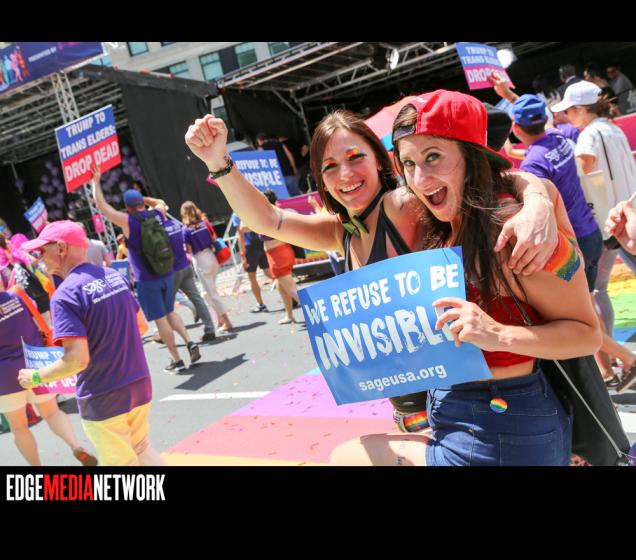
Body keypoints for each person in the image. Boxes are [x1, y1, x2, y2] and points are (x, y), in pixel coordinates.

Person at [184, 107, 561, 438]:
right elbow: (269, 220)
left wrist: (537, 200)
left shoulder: (405, 205)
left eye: (355, 157)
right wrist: (218, 162)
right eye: (330, 166)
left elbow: (494, 178)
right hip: (411, 416)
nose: (345, 174)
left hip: (468, 411)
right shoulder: (342, 233)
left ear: (381, 161)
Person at [329, 90, 601, 465]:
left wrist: (497, 333)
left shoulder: (513, 233)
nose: (420, 178)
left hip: (503, 430)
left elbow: (588, 335)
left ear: (472, 156)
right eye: (408, 163)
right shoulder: (441, 219)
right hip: (463, 418)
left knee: (346, 457)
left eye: (433, 157)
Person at [17, 221, 165, 466]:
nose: (38, 258)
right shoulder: (113, 276)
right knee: (143, 449)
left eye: (42, 250)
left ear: (61, 248)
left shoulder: (65, 295)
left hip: (103, 395)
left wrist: (35, 377)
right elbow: (141, 325)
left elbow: (77, 360)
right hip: (138, 382)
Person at [552, 80, 636, 389]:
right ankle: (613, 360)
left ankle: (612, 361)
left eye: (569, 111)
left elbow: (582, 172)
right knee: (599, 289)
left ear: (580, 110)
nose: (567, 117)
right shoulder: (612, 127)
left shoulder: (589, 135)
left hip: (610, 221)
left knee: (597, 290)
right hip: (627, 213)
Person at [91, 168, 200, 374]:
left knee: (161, 319)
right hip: (167, 274)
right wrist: (144, 198)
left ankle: (177, 360)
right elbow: (160, 201)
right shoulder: (158, 213)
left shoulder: (128, 221)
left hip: (147, 279)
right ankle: (189, 341)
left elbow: (102, 206)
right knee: (171, 312)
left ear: (127, 207)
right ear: (142, 202)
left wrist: (95, 182)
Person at [1, 287, 97, 466]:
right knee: (52, 412)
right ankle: (75, 445)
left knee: (19, 427)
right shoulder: (17, 294)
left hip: (4, 374)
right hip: (35, 361)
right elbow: (39, 318)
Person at [180, 201, 233, 332]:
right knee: (209, 293)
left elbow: (188, 250)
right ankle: (220, 319)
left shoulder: (185, 230)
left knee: (212, 294)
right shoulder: (205, 223)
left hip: (200, 260)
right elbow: (214, 237)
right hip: (211, 256)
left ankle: (227, 321)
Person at [260, 189, 301, 324]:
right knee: (281, 286)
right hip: (283, 251)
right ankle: (289, 315)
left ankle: (319, 315)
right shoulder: (277, 212)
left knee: (292, 290)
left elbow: (246, 227)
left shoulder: (267, 215)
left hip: (277, 255)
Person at [230, 213, 273, 312]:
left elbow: (241, 234)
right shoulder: (248, 208)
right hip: (260, 243)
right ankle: (289, 292)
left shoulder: (236, 215)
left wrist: (242, 254)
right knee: (268, 272)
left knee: (252, 277)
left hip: (249, 247)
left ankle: (260, 304)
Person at [256, 132, 301, 197]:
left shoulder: (261, 148)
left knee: (284, 198)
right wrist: (294, 168)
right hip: (289, 173)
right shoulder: (280, 144)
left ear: (260, 140)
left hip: (276, 178)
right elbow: (289, 156)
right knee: (296, 196)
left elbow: (261, 165)